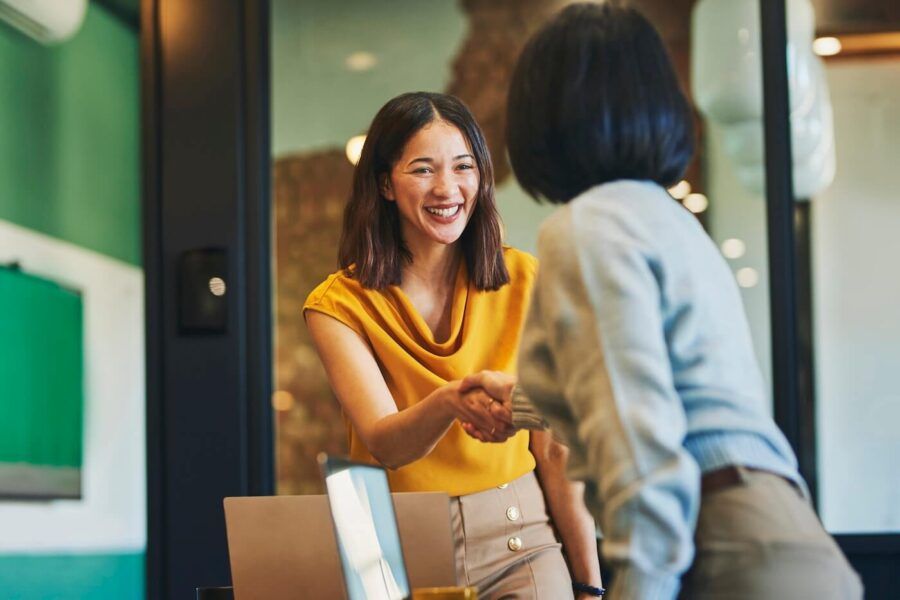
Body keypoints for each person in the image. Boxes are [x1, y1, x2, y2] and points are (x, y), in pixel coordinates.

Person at [461, 3, 863, 599]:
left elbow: (642, 459)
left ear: (545, 113)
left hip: (724, 545)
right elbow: (671, 392)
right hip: (778, 535)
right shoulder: (666, 220)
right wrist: (519, 404)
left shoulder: (587, 229)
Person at [303, 91, 603, 598]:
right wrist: (449, 400)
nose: (447, 188)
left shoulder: (527, 280)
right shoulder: (337, 306)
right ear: (385, 185)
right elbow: (385, 443)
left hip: (521, 539)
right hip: (393, 553)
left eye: (463, 167)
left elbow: (554, 451)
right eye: (423, 170)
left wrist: (591, 586)